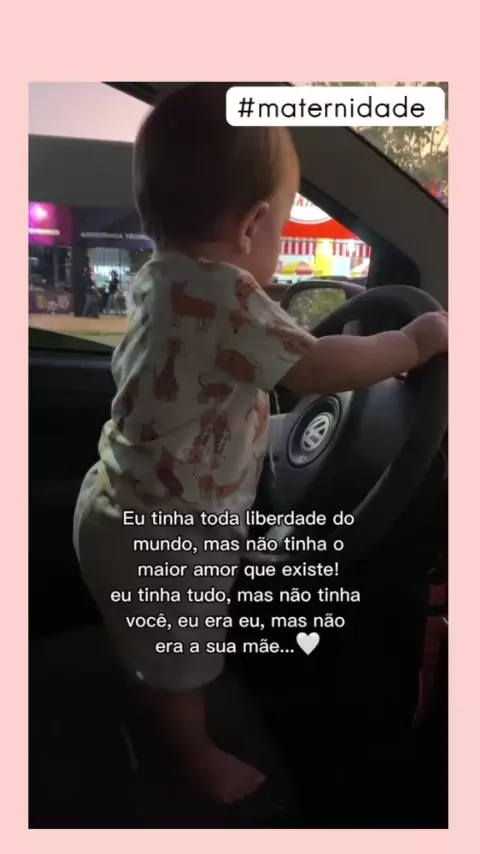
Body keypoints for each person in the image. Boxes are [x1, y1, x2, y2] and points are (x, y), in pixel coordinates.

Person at [73, 83, 448, 807]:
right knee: (184, 664)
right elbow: (313, 368)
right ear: (252, 226)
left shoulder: (159, 277)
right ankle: (194, 757)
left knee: (147, 641)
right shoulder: (230, 295)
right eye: (281, 222)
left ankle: (146, 701)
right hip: (169, 535)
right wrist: (411, 342)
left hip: (115, 504)